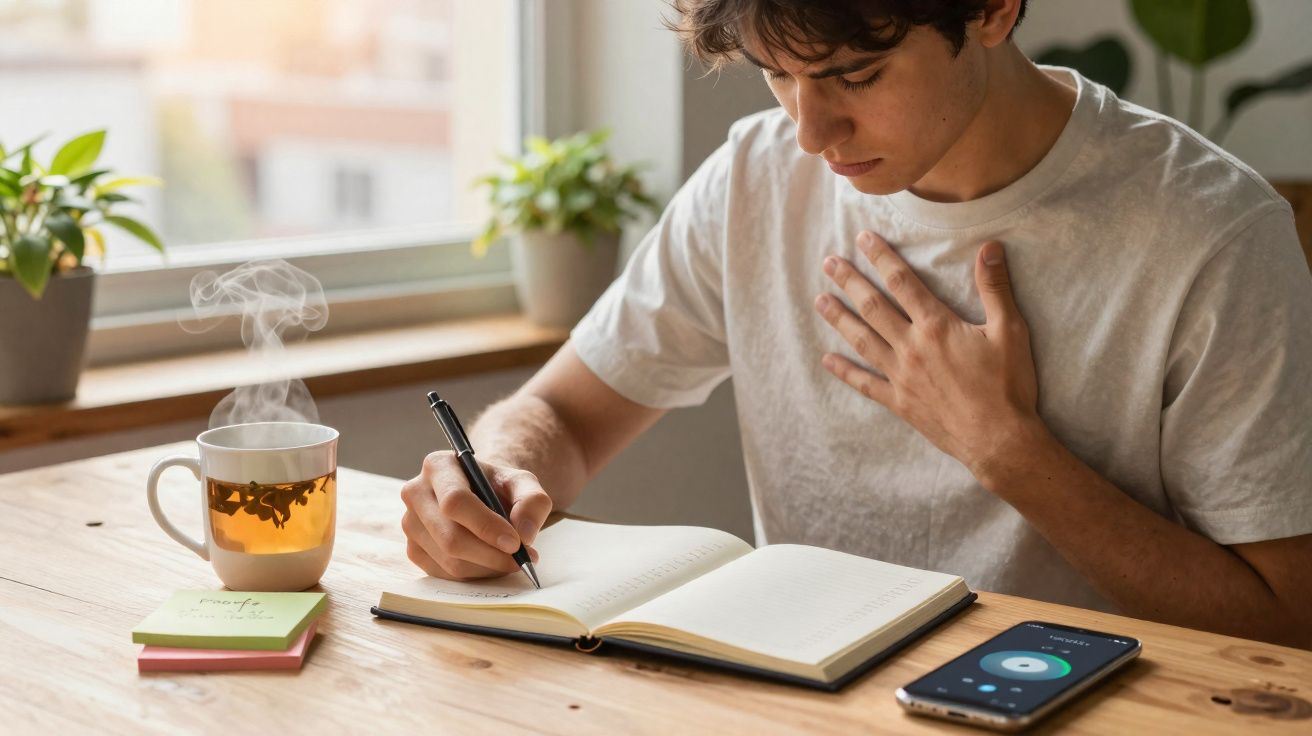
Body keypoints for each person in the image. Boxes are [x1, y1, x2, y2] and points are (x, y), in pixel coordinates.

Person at [400, 0, 1312, 648]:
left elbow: (1287, 625)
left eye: (854, 75)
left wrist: (1008, 453)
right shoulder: (754, 178)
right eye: (777, 76)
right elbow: (564, 414)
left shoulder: (1211, 235)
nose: (809, 131)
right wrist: (496, 476)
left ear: (994, 10)